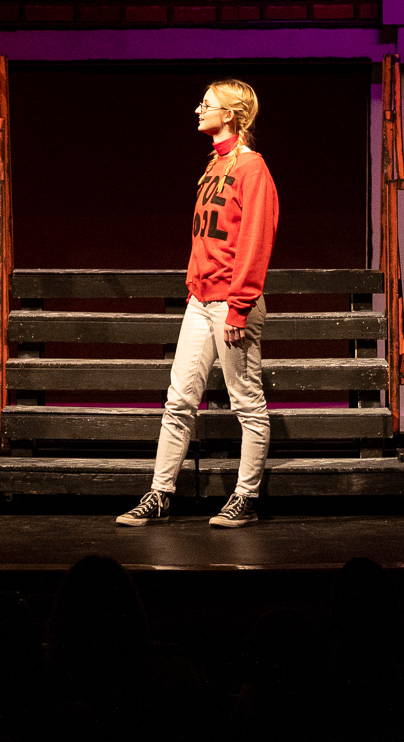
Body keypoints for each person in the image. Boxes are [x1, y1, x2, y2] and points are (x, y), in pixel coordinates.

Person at [117, 79, 279, 528]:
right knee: (178, 401)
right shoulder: (214, 166)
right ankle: (160, 493)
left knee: (246, 403)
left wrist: (239, 306)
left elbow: (255, 242)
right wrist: (196, 288)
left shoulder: (252, 168)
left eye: (206, 104)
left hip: (232, 303)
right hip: (200, 301)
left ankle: (245, 498)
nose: (197, 109)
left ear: (229, 114)